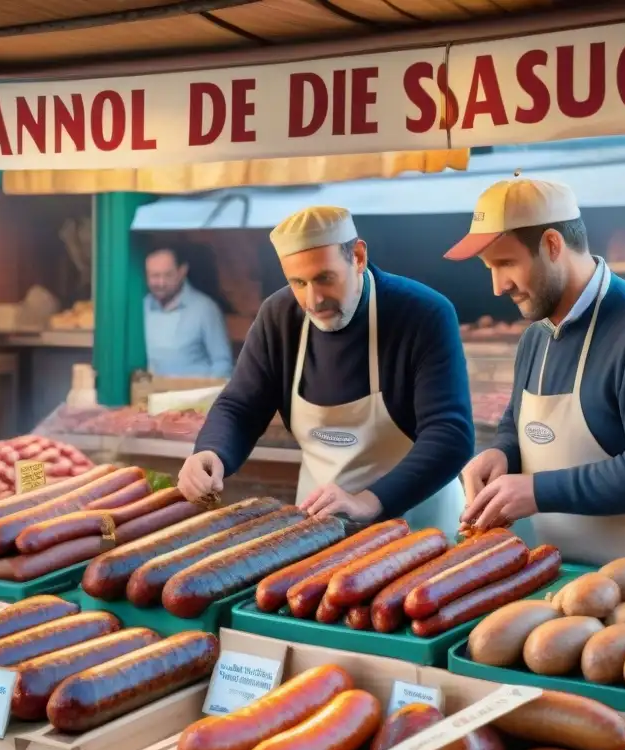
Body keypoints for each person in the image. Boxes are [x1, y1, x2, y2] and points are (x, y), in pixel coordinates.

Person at [449, 177, 625, 565]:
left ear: (553, 245)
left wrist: (536, 491)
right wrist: (503, 453)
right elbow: (516, 424)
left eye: (506, 263)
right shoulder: (535, 336)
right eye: (489, 267)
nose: (497, 287)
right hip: (556, 574)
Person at [177, 206, 473, 534]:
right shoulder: (279, 316)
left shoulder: (422, 313)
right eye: (298, 282)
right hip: (320, 527)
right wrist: (212, 452)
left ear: (358, 257)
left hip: (419, 525)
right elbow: (241, 406)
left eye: (324, 278)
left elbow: (450, 435)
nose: (313, 300)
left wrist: (367, 501)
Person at [143, 247, 233, 378]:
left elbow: (223, 364)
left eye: (168, 275)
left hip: (196, 395)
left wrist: (205, 394)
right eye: (155, 276)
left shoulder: (205, 308)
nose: (161, 283)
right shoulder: (142, 307)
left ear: (182, 271)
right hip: (151, 395)